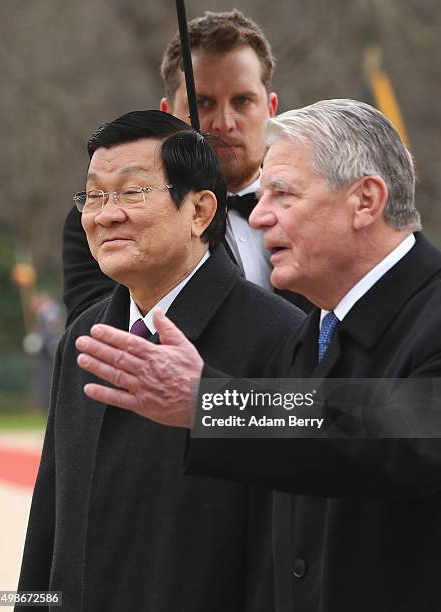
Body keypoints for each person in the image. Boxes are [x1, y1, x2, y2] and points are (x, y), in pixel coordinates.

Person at [76, 100, 441, 612]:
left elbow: (399, 432)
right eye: (262, 193)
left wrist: (210, 402)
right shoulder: (313, 332)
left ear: (365, 200)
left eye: (283, 194)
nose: (260, 213)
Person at [17, 110, 304, 612]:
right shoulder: (85, 335)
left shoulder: (278, 338)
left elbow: (276, 549)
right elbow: (50, 522)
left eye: (132, 192)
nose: (106, 214)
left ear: (199, 211)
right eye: (95, 195)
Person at [63, 10, 310, 327]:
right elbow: (101, 333)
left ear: (271, 109)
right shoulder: (108, 216)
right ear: (169, 115)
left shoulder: (314, 205)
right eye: (203, 103)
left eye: (242, 101)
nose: (224, 123)